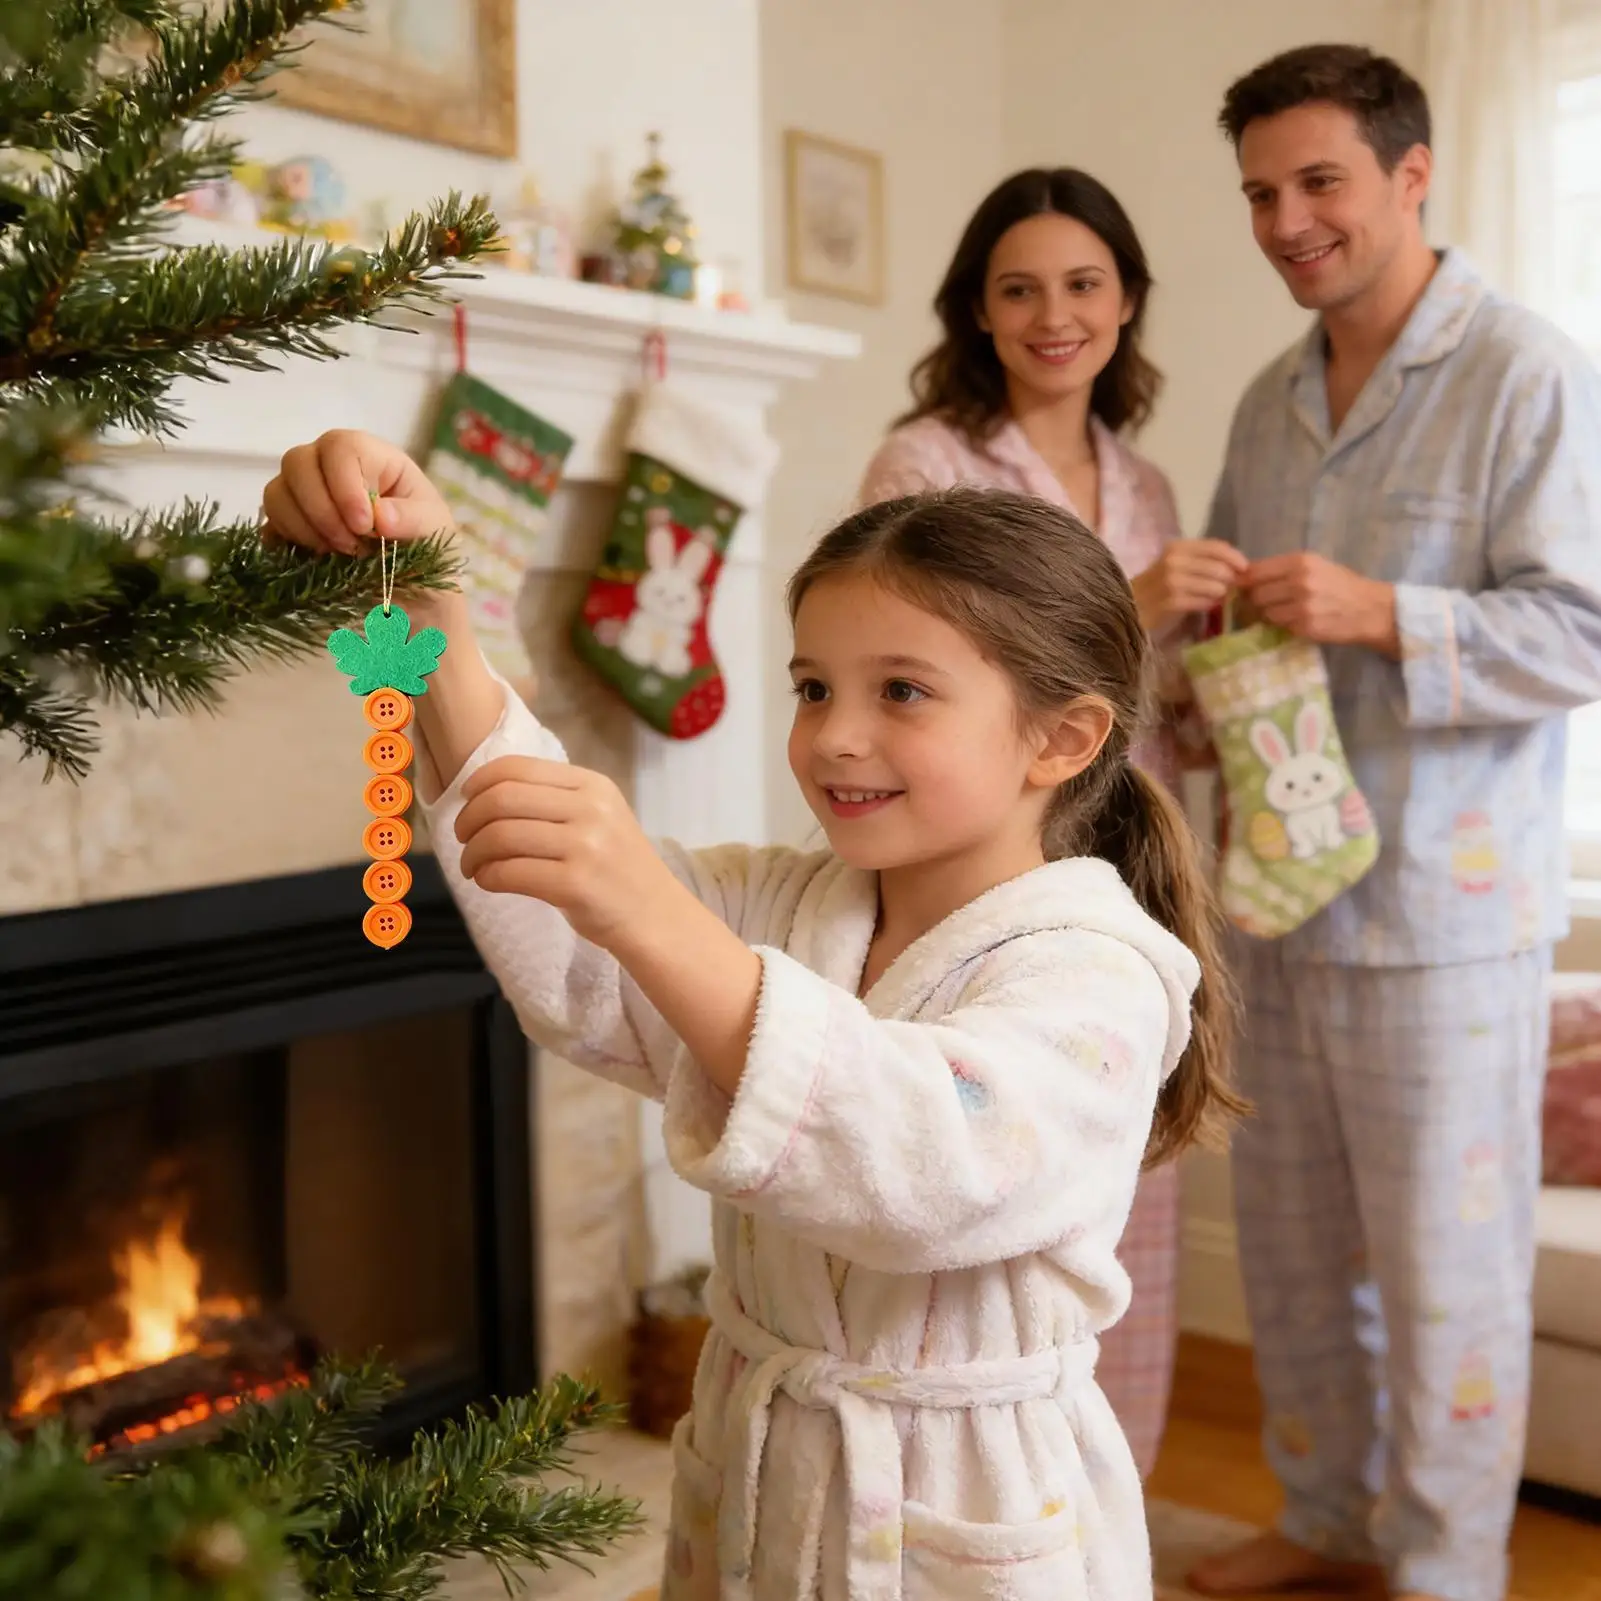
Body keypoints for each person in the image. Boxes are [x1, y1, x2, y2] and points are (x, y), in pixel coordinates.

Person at [263, 432, 1243, 1601]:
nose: (834, 734)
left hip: (965, 1511)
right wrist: (435, 617)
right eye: (813, 685)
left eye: (902, 691)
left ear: (1062, 737)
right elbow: (582, 944)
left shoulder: (1101, 975)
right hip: (760, 1464)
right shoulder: (782, 902)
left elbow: (932, 1158)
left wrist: (649, 908)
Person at [1184, 44, 1601, 1601]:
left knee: (1444, 1281)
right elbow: (1233, 644)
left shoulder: (1527, 373)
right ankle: (1326, 1521)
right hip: (1277, 897)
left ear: (1410, 175)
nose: (1287, 221)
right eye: (1259, 194)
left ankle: (1443, 1567)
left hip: (1443, 914)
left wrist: (1381, 614)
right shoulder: (1268, 400)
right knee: (1292, 1257)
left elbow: (1586, 633)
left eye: (1318, 184)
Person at [859, 166, 1248, 1478]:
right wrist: (1136, 599)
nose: (1052, 314)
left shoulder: (1143, 478)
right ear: (977, 308)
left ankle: (1099, 1514)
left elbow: (1158, 704)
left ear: (1127, 300)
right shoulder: (925, 461)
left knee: (1124, 1193)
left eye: (1082, 284)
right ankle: (966, 1501)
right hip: (978, 878)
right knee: (987, 1181)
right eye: (1017, 288)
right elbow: (918, 662)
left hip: (1125, 870)